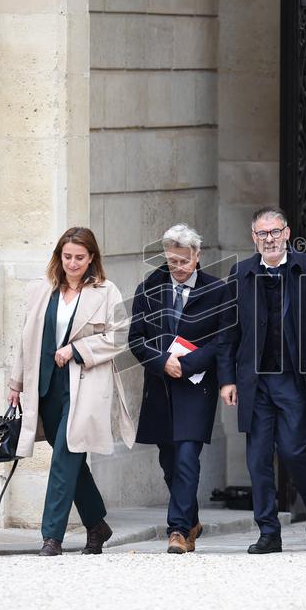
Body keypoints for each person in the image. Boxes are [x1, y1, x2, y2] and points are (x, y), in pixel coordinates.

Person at [217, 206, 306, 554]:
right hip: (255, 383)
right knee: (258, 459)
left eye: (275, 231)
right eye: (262, 233)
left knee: (293, 450)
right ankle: (268, 532)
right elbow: (228, 332)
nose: (270, 239)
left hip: (294, 379)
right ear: (253, 237)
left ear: (287, 233)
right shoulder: (241, 273)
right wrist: (227, 379)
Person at [8, 227, 134, 556]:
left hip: (85, 385)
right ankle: (97, 525)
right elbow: (25, 338)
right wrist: (15, 383)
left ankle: (52, 536)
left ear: (91, 258)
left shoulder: (106, 292)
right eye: (67, 257)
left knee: (64, 455)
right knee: (70, 456)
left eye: (80, 257)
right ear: (59, 257)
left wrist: (77, 349)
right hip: (46, 386)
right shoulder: (41, 290)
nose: (73, 263)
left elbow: (120, 336)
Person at [129, 224, 225, 554]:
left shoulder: (217, 290)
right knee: (170, 462)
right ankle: (192, 520)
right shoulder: (148, 288)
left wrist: (188, 364)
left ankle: (178, 530)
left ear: (197, 256)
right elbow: (136, 339)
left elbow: (224, 340)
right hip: (160, 387)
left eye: (184, 261)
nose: (179, 268)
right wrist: (162, 362)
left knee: (186, 457)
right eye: (173, 261)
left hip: (196, 387)